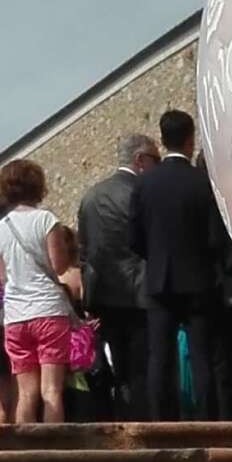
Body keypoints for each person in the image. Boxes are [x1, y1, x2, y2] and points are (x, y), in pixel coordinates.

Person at [130, 108, 226, 418]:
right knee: (202, 356)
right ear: (190, 139)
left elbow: (134, 237)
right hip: (199, 278)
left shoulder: (144, 185)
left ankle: (163, 422)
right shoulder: (201, 182)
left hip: (159, 278)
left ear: (162, 138)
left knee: (160, 356)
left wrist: (156, 257)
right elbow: (215, 236)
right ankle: (208, 419)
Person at [0, 157, 80, 428]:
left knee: (25, 394)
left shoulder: (0, 229)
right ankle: (53, 455)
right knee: (51, 391)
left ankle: (26, 454)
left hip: (15, 316)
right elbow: (59, 266)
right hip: (48, 310)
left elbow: (3, 277)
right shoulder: (46, 220)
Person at [77, 132, 155, 416]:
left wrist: (89, 297)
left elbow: (84, 251)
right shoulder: (141, 192)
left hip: (105, 295)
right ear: (141, 160)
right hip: (140, 290)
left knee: (120, 367)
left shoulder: (91, 197)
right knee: (143, 367)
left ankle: (124, 418)